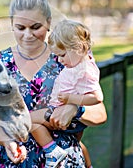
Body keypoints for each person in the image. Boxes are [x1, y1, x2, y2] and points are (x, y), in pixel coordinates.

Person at [0, 0, 107, 168]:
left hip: (64, 161)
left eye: (35, 27)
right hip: (13, 161)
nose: (28, 35)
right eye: (21, 28)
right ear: (12, 25)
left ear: (48, 23)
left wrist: (74, 108)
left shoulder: (67, 59)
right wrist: (7, 142)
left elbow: (99, 112)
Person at [30, 19, 104, 168]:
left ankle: (52, 151)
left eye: (62, 55)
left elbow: (97, 98)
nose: (59, 59)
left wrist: (73, 103)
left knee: (27, 120)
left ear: (79, 49)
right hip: (63, 120)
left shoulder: (85, 69)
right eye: (19, 27)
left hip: (61, 116)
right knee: (77, 142)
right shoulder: (74, 63)